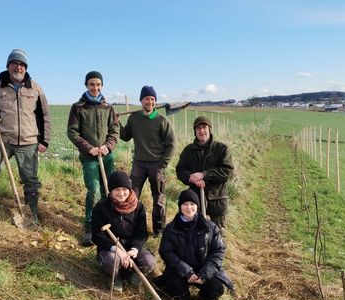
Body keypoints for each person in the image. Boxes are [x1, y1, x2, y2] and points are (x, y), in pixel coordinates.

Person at [0, 49, 51, 224]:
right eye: (14, 63)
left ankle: (32, 213)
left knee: (30, 180)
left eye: (22, 65)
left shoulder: (35, 87)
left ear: (26, 68)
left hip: (29, 142)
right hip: (2, 140)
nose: (18, 67)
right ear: (8, 66)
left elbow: (45, 115)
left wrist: (44, 140)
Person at [156, 189, 234, 300]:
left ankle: (203, 298)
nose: (189, 208)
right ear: (180, 206)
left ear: (197, 206)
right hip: (180, 270)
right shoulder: (170, 229)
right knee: (174, 286)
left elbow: (218, 251)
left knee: (216, 288)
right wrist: (186, 271)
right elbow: (166, 252)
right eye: (185, 204)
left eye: (192, 204)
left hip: (203, 268)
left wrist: (205, 274)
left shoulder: (210, 227)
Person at [67, 71, 119, 246]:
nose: (95, 87)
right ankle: (89, 228)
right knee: (94, 190)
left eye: (98, 84)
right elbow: (72, 132)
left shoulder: (108, 108)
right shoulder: (78, 107)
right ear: (86, 85)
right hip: (89, 157)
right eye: (91, 84)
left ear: (102, 85)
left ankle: (107, 224)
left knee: (107, 190)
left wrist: (107, 146)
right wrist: (89, 148)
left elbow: (114, 131)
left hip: (106, 156)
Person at [119, 86, 176, 237]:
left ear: (155, 102)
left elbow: (172, 144)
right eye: (147, 99)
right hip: (138, 164)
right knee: (132, 196)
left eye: (152, 99)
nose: (150, 102)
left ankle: (159, 230)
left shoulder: (161, 121)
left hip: (156, 165)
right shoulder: (134, 118)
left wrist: (162, 163)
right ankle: (131, 227)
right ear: (141, 100)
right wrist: (116, 122)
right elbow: (125, 136)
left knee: (158, 198)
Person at [91, 171, 156, 292]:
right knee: (112, 261)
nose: (121, 193)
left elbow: (141, 234)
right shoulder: (101, 207)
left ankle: (133, 274)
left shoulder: (139, 207)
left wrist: (134, 249)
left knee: (149, 262)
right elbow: (97, 236)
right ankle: (115, 277)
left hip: (130, 246)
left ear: (130, 189)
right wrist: (117, 250)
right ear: (111, 191)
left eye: (124, 189)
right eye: (117, 190)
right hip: (111, 248)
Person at [176, 116, 234, 233]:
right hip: (195, 199)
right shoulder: (188, 151)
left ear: (209, 129)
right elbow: (180, 170)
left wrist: (204, 175)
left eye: (204, 127)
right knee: (196, 233)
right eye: (198, 128)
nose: (201, 131)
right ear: (195, 131)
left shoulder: (221, 149)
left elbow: (228, 171)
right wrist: (192, 178)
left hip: (217, 198)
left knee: (218, 234)